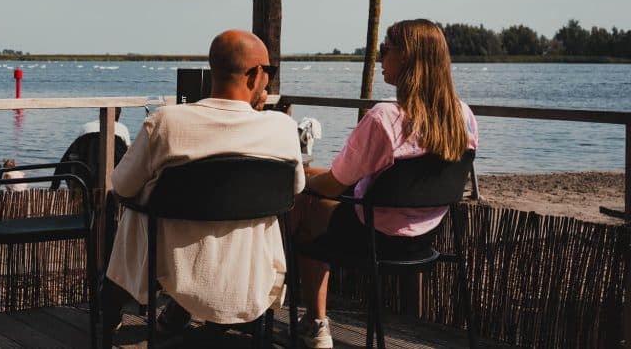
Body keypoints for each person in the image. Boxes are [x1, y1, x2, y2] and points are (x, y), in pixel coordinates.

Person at [102, 29, 305, 344]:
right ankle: (186, 313)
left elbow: (122, 187)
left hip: (171, 261)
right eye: (269, 73)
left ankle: (111, 309)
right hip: (247, 262)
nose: (269, 81)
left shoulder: (166, 123)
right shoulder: (282, 128)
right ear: (255, 75)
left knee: (134, 211)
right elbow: (296, 188)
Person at [291, 19, 479, 349]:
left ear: (406, 57)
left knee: (309, 209)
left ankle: (315, 324)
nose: (379, 58)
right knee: (316, 182)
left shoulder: (384, 118)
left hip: (377, 239)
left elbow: (334, 186)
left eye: (384, 50)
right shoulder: (462, 115)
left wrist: (299, 186)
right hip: (427, 236)